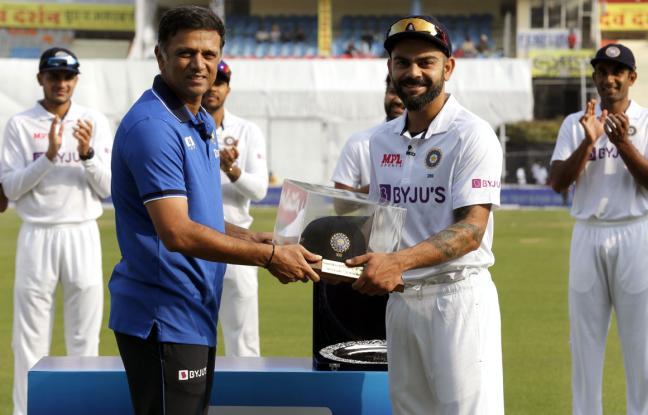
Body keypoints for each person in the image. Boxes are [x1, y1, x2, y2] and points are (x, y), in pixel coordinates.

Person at [108, 6, 320, 415]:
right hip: (163, 315)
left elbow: (197, 217)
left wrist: (250, 236)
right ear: (160, 56)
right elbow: (177, 232)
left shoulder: (197, 119)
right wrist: (270, 256)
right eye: (186, 52)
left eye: (209, 54)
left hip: (191, 309)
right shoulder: (154, 126)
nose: (199, 64)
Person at [347, 15, 504, 414]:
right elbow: (383, 223)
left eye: (425, 62)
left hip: (457, 299)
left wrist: (396, 262)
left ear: (447, 68)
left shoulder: (472, 134)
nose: (413, 72)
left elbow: (470, 231)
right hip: (401, 302)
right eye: (402, 62)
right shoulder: (380, 139)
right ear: (390, 68)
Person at [549, 43, 648, 415]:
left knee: (641, 342)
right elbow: (557, 182)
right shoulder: (576, 123)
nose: (609, 79)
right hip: (588, 233)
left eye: (617, 72)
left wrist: (623, 143)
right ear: (595, 78)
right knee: (584, 344)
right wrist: (589, 141)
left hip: (634, 231)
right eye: (602, 72)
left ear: (632, 78)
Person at [0, 47, 112, 415]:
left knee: (84, 335)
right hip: (37, 233)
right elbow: (11, 189)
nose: (61, 83)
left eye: (67, 77)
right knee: (29, 339)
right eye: (53, 76)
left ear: (76, 80)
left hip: (82, 231)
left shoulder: (93, 120)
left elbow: (108, 188)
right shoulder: (20, 124)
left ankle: (84, 409)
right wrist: (48, 157)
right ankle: (26, 411)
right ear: (40, 79)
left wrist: (86, 154)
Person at [203, 60, 269, 357]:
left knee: (243, 341)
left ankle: (246, 401)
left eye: (220, 82)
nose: (213, 88)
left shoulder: (247, 130)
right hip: (194, 243)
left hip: (239, 241)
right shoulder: (180, 128)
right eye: (210, 81)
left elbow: (260, 190)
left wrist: (233, 172)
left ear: (228, 88)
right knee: (192, 337)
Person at [331, 74, 404, 194]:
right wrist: (380, 187)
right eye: (392, 92)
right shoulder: (359, 143)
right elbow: (340, 205)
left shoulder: (436, 141)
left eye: (404, 94)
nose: (398, 100)